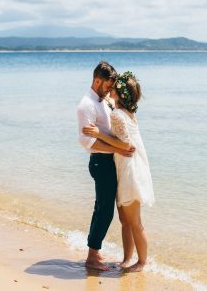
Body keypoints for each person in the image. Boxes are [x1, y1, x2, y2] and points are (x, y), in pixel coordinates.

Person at [83, 71, 154, 272]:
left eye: (113, 87)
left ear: (120, 94)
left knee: (134, 222)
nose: (110, 88)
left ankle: (141, 262)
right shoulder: (127, 112)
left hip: (130, 171)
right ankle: (127, 259)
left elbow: (125, 146)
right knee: (125, 221)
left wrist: (98, 134)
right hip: (124, 170)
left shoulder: (116, 114)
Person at [77, 61, 135, 271]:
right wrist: (118, 150)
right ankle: (92, 257)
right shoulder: (86, 105)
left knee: (101, 209)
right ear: (97, 80)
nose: (110, 90)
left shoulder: (102, 100)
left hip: (107, 161)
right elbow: (87, 141)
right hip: (100, 162)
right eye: (108, 86)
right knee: (104, 211)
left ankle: (94, 253)